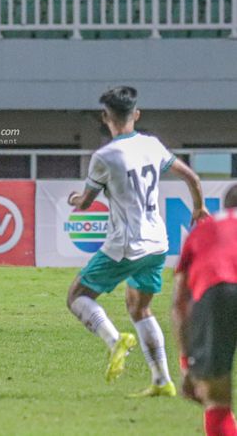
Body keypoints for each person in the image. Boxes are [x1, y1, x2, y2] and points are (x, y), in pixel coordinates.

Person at [65, 86, 209, 396]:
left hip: (126, 244)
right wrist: (198, 208)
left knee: (77, 297)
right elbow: (193, 178)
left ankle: (115, 340)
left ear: (106, 118)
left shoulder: (104, 156)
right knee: (140, 309)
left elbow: (86, 202)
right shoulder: (152, 145)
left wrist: (75, 198)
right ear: (136, 114)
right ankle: (162, 381)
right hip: (157, 243)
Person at [173, 185, 237, 436]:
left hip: (217, 291)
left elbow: (180, 302)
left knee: (216, 397)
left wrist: (186, 364)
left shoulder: (203, 230)